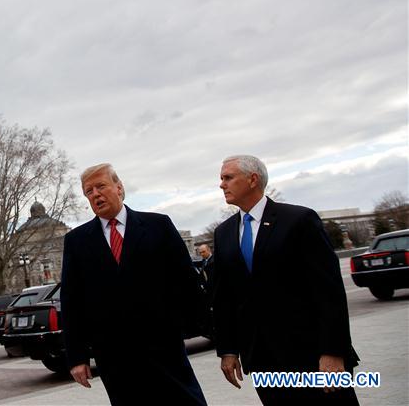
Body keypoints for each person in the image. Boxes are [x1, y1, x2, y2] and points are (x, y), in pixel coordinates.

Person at [213, 155, 360, 405]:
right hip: (262, 360)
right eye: (221, 179)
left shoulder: (299, 220)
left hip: (311, 355)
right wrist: (228, 350)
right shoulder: (223, 233)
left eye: (228, 177)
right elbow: (225, 296)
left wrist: (333, 351)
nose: (221, 184)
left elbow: (328, 290)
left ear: (252, 179)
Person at [61, 163, 207, 405]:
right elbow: (72, 301)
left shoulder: (158, 226)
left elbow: (186, 282)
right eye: (89, 191)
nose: (95, 194)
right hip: (114, 356)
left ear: (119, 188)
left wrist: (191, 326)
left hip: (164, 346)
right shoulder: (77, 241)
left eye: (101, 186)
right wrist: (77, 356)